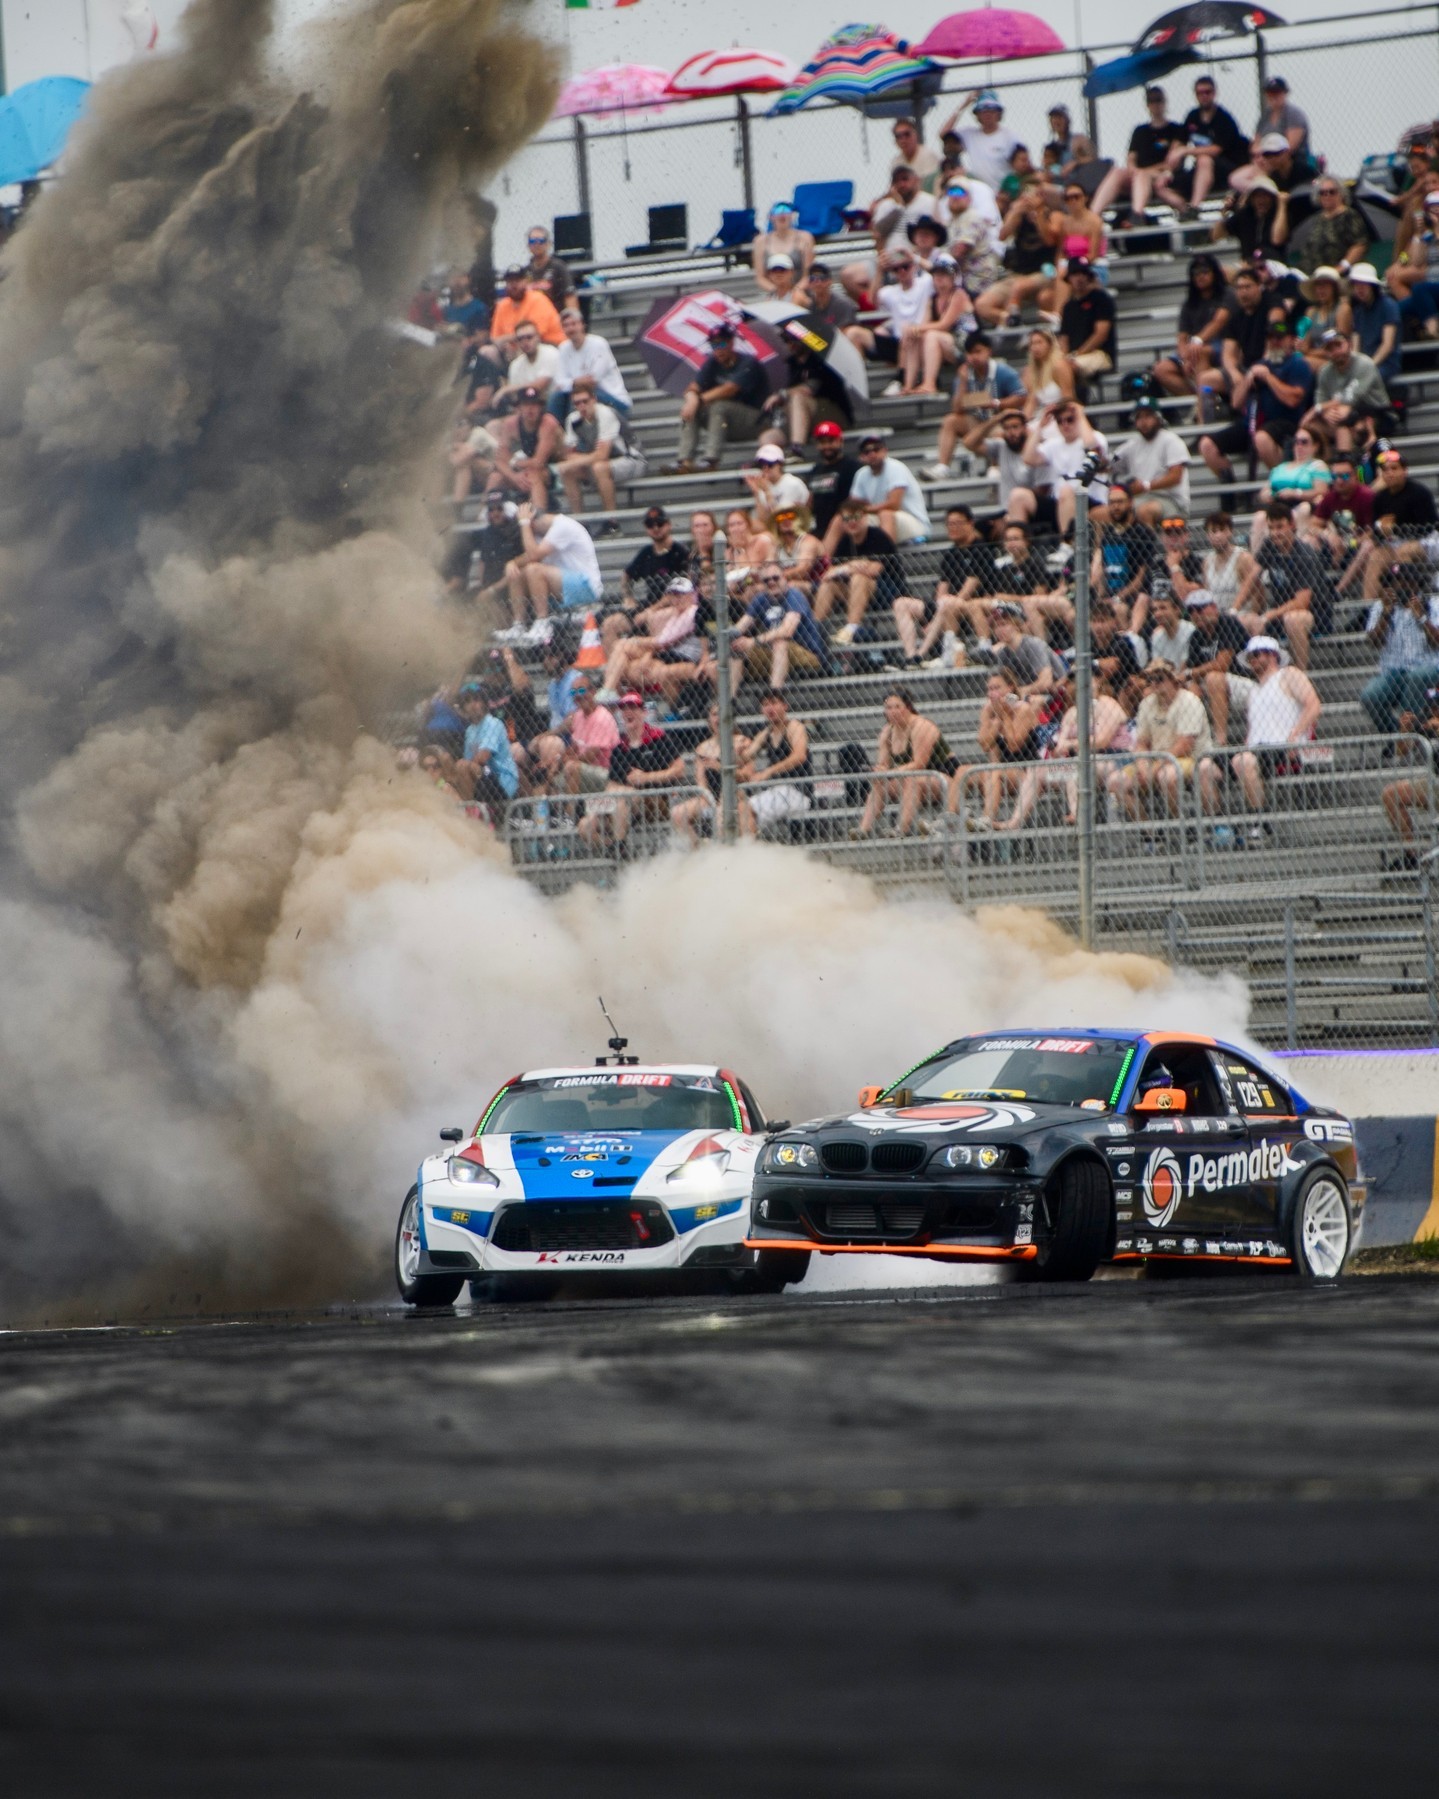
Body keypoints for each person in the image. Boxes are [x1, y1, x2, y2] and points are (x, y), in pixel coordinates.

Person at [1001, 670, 1129, 830]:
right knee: (1037, 771)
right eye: (1077, 680)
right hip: (1081, 765)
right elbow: (1060, 746)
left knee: (1076, 766)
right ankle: (1014, 822)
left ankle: (1078, 816)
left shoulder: (1107, 704)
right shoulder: (1072, 712)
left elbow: (1102, 741)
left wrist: (1070, 744)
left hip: (1113, 763)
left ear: (1098, 680)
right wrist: (1058, 748)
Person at [1199, 308, 1313, 482]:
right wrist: (1247, 380)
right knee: (1207, 444)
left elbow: (1293, 399)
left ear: (1290, 340)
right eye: (1271, 338)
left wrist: (1268, 377)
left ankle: (1285, 481)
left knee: (1262, 438)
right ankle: (1230, 493)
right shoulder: (1259, 364)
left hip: (1286, 423)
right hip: (1251, 422)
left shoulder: (1298, 364)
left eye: (1279, 338)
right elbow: (1236, 404)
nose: (1275, 342)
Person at [1221, 634, 1323, 817]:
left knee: (1243, 761)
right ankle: (1216, 824)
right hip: (1257, 749)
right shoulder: (1254, 691)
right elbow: (1253, 730)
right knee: (1205, 767)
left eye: (1258, 654)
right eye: (1250, 656)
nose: (1253, 659)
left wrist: (1294, 736)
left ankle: (1260, 821)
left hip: (1282, 746)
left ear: (1273, 655)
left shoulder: (1289, 674)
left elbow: (1313, 705)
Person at [578, 694, 686, 857]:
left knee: (621, 801)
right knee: (585, 825)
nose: (628, 712)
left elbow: (679, 769)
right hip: (625, 803)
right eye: (624, 709)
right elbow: (612, 784)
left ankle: (619, 847)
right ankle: (616, 849)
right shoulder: (620, 747)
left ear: (643, 712)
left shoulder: (658, 738)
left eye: (633, 707)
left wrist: (646, 777)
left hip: (656, 800)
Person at [891, 504, 996, 665]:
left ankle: (920, 655)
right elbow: (942, 587)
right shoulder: (950, 553)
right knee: (901, 603)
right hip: (945, 605)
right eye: (949, 524)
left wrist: (935, 618)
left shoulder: (981, 550)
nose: (953, 528)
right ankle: (910, 653)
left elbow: (968, 590)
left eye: (958, 523)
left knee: (947, 601)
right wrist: (936, 609)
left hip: (968, 605)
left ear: (970, 524)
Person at [1113, 660, 1215, 820]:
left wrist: (1154, 769)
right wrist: (1143, 766)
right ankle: (1150, 835)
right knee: (1115, 781)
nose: (1153, 683)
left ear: (1173, 679)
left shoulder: (1189, 701)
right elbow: (1141, 743)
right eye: (1150, 679)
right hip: (1156, 762)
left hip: (1191, 758)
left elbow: (1185, 745)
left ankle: (1178, 827)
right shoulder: (1147, 703)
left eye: (1159, 678)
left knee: (1166, 776)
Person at [665, 323, 768, 474]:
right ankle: (684, 460)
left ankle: (711, 460)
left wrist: (699, 400)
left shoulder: (748, 363)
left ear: (731, 342)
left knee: (719, 405)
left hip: (755, 420)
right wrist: (692, 399)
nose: (717, 349)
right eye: (713, 345)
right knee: (692, 408)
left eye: (721, 343)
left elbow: (730, 389)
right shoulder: (712, 362)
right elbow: (692, 387)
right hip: (726, 423)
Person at [854, 688, 954, 838]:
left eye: (897, 707)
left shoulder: (920, 726)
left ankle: (901, 829)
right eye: (888, 708)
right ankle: (863, 829)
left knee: (911, 780)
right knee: (880, 784)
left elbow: (920, 764)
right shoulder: (887, 731)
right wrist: (879, 771)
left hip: (942, 779)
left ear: (907, 707)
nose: (892, 712)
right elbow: (884, 764)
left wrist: (889, 773)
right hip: (909, 780)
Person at [952, 667, 1046, 827]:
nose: (993, 693)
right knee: (962, 771)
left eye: (997, 688)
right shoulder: (988, 710)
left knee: (994, 771)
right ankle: (949, 818)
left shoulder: (1023, 709)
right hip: (1001, 770)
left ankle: (986, 819)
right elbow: (984, 743)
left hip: (1026, 771)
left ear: (1010, 688)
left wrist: (1004, 716)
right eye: (990, 689)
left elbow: (1014, 745)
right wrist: (995, 721)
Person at [924, 332, 1024, 480]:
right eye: (970, 353)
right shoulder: (964, 374)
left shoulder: (1003, 371)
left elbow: (1021, 396)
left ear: (988, 351)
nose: (974, 357)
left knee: (998, 433)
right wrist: (963, 383)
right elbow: (957, 408)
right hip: (978, 420)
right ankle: (943, 467)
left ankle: (995, 467)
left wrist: (996, 403)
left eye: (978, 352)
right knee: (951, 421)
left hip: (1000, 421)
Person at [500, 502, 602, 644]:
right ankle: (518, 625)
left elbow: (534, 555)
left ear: (532, 522)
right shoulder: (538, 534)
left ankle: (542, 622)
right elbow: (529, 556)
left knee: (533, 569)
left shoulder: (563, 526)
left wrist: (524, 524)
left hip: (586, 587)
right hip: (562, 588)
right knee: (517, 572)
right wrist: (512, 564)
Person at [1238, 504, 1324, 669]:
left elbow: (1302, 602)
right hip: (1279, 614)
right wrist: (1235, 609)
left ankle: (1300, 674)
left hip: (1314, 614)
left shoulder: (1304, 555)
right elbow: (1252, 577)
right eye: (1271, 528)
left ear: (1291, 525)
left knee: (1293, 619)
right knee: (1246, 620)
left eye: (1280, 527)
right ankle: (1262, 675)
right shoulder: (1270, 545)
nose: (1276, 533)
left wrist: (1268, 616)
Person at [1091, 86, 1189, 225]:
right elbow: (1131, 158)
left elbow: (1171, 163)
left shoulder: (1176, 129)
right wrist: (1134, 170)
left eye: (1158, 100)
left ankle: (1137, 214)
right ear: (1147, 105)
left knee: (1141, 175)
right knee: (1118, 172)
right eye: (1152, 101)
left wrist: (1142, 172)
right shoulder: (1140, 131)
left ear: (1165, 102)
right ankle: (1094, 214)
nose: (1156, 104)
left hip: (1163, 176)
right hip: (1138, 176)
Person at [730, 561, 828, 691]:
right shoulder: (761, 599)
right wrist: (730, 637)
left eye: (775, 578)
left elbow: (787, 631)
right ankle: (731, 701)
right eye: (766, 580)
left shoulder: (794, 596)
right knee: (737, 648)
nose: (771, 582)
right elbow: (741, 626)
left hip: (807, 653)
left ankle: (774, 694)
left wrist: (753, 641)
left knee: (780, 642)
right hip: (774, 652)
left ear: (784, 578)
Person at [845, 248, 935, 387]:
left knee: (908, 331)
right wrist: (880, 270)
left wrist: (914, 257)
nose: (902, 271)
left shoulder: (924, 283)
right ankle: (859, 381)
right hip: (896, 341)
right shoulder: (890, 291)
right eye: (897, 269)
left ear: (913, 267)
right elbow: (870, 301)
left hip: (918, 340)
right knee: (853, 333)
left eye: (906, 266)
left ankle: (902, 378)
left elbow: (937, 270)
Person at [1152, 254, 1234, 404]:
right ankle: (1200, 402)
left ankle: (1205, 409)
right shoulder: (1189, 303)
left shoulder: (1228, 294)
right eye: (1196, 273)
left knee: (1199, 352)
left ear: (1214, 273)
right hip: (1193, 349)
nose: (1200, 277)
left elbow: (1219, 321)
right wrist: (1184, 359)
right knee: (1161, 369)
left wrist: (1198, 340)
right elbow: (1182, 337)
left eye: (1204, 272)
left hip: (1224, 344)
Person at [671, 705, 755, 847]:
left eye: (721, 714)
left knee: (722, 808)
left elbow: (748, 775)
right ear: (709, 719)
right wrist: (708, 797)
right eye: (715, 714)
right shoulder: (702, 748)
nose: (718, 718)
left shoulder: (742, 742)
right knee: (677, 813)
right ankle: (698, 849)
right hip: (710, 794)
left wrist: (720, 768)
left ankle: (723, 852)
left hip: (736, 791)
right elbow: (701, 782)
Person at [814, 501, 896, 645]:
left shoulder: (878, 537)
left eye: (856, 517)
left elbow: (873, 570)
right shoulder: (845, 541)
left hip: (886, 592)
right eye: (847, 519)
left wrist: (848, 569)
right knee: (829, 584)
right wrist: (850, 565)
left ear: (865, 517)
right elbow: (829, 573)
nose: (852, 522)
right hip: (854, 593)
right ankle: (813, 629)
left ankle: (850, 629)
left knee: (859, 578)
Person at [1362, 582, 1439, 735]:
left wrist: (1422, 617)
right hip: (1393, 672)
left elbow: (1437, 642)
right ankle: (1396, 737)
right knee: (1369, 696)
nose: (1401, 586)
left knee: (1416, 677)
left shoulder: (1432, 604)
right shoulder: (1381, 605)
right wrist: (1385, 614)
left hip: (1427, 670)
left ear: (1417, 583)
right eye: (1396, 581)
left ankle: (1409, 737)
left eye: (1406, 581)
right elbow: (1373, 642)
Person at [1024, 400, 1110, 537]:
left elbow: (1091, 447)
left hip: (1090, 499)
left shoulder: (1095, 436)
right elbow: (1028, 458)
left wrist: (1080, 414)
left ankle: (1067, 543)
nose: (1065, 425)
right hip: (1060, 502)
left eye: (1070, 419)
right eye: (1060, 421)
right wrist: (1040, 427)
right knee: (1019, 496)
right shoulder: (1054, 444)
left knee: (1066, 490)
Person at [558, 380, 642, 519]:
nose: (582, 406)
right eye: (577, 403)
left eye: (585, 401)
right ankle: (580, 522)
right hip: (601, 462)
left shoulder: (605, 414)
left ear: (594, 399)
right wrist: (575, 460)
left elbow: (602, 455)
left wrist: (577, 459)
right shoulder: (573, 419)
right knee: (567, 470)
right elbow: (568, 455)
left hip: (632, 459)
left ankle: (612, 522)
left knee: (600, 467)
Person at [1184, 587, 1253, 747]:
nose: (1196, 614)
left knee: (1213, 677)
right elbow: (1192, 672)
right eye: (1191, 610)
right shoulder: (1196, 635)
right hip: (1215, 688)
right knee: (1190, 687)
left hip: (1245, 683)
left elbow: (1222, 665)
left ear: (1214, 607)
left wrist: (1191, 672)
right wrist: (1190, 676)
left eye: (1200, 608)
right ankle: (1197, 740)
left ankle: (1220, 740)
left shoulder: (1228, 623)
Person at [1381, 684, 1439, 869]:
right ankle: (1412, 857)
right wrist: (1404, 731)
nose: (1434, 711)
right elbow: (1401, 752)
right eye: (1433, 706)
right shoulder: (1425, 717)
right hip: (1435, 781)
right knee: (1391, 794)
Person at [738, 690, 812, 835]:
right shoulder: (767, 733)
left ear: (785, 706)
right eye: (765, 704)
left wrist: (768, 772)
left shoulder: (794, 727)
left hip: (797, 791)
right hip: (777, 791)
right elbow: (746, 756)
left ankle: (749, 850)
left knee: (745, 810)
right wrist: (737, 751)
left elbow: (799, 756)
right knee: (738, 809)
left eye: (774, 703)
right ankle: (749, 849)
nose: (770, 708)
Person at [1092, 481, 1163, 631]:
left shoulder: (1142, 533)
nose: (1116, 507)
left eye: (1120, 502)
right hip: (1110, 594)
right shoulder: (1108, 534)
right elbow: (1103, 572)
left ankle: (1127, 648)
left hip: (1133, 596)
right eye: (1112, 502)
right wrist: (1101, 598)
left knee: (1118, 609)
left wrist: (1117, 598)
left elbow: (1141, 577)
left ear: (1130, 503)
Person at [899, 251, 971, 396]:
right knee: (915, 336)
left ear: (952, 277)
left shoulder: (959, 295)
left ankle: (929, 383)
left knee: (931, 335)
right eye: (936, 274)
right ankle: (908, 385)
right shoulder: (933, 299)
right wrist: (913, 331)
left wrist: (917, 328)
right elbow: (924, 325)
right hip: (944, 342)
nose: (939, 278)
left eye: (943, 274)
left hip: (964, 344)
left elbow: (944, 324)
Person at [980, 405, 1058, 532]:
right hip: (1005, 509)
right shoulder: (1001, 447)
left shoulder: (1038, 452)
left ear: (1025, 428)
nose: (1011, 432)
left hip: (1034, 509)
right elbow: (969, 443)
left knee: (1017, 499)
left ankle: (1017, 545)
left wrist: (1013, 511)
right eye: (1006, 428)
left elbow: (1043, 491)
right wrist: (995, 419)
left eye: (1015, 427)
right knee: (980, 528)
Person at [1177, 74, 1248, 209]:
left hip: (1227, 169)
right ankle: (1184, 212)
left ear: (1214, 93)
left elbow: (1216, 150)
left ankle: (1195, 207)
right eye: (1200, 93)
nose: (1204, 96)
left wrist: (1186, 151)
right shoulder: (1192, 116)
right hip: (1204, 171)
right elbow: (1180, 141)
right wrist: (1173, 158)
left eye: (1207, 92)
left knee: (1204, 159)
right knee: (1174, 182)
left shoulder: (1224, 118)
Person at [1309, 329, 1394, 441]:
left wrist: (1321, 408)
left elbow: (1351, 398)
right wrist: (1325, 413)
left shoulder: (1365, 364)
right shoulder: (1324, 372)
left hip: (1376, 412)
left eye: (1338, 345)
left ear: (1349, 344)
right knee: (1311, 427)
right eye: (1330, 349)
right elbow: (1320, 399)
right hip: (1341, 415)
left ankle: (1348, 456)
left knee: (1348, 421)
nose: (1335, 351)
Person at [1118, 398, 1191, 527]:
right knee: (1102, 513)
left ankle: (1149, 547)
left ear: (1158, 418)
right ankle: (1101, 548)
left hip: (1172, 501)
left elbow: (1175, 477)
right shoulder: (1132, 445)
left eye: (1148, 416)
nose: (1143, 422)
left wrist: (1146, 486)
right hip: (1140, 499)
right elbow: (1110, 463)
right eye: (1139, 417)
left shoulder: (1171, 441)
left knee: (1144, 511)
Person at [487, 386, 564, 509]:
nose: (530, 409)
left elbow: (538, 462)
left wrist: (513, 462)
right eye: (526, 405)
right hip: (524, 469)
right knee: (495, 477)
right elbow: (499, 460)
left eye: (534, 405)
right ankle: (485, 514)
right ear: (519, 407)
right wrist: (514, 477)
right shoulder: (510, 424)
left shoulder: (548, 423)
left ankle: (538, 515)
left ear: (540, 407)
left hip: (554, 468)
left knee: (533, 475)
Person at [846, 434, 931, 545]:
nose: (872, 454)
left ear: (885, 451)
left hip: (916, 525)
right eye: (867, 451)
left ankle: (889, 559)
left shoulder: (895, 467)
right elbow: (853, 505)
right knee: (842, 519)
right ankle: (827, 559)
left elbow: (893, 505)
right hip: (881, 519)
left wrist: (864, 509)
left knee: (885, 514)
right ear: (861, 456)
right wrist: (859, 511)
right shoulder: (861, 474)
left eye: (876, 449)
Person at [550, 309, 631, 420]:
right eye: (566, 325)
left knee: (580, 397)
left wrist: (572, 383)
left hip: (611, 398)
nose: (570, 328)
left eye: (574, 324)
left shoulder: (599, 344)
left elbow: (593, 381)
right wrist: (577, 382)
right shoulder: (563, 348)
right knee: (557, 396)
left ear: (582, 325)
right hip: (582, 396)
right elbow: (559, 382)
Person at [455, 682, 519, 820]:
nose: (472, 705)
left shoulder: (493, 723)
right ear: (463, 707)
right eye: (467, 701)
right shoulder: (470, 730)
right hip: (482, 777)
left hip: (501, 780)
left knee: (461, 766)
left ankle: (470, 814)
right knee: (458, 770)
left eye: (476, 700)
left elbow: (483, 758)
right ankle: (471, 812)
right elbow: (469, 761)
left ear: (484, 703)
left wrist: (465, 766)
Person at [944, 91, 1021, 194]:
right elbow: (944, 134)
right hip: (979, 193)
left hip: (1004, 194)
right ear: (977, 115)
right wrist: (964, 105)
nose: (987, 114)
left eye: (991, 110)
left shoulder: (1010, 136)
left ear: (999, 113)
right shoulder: (970, 134)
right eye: (983, 110)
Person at [619, 506, 691, 616]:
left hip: (675, 607)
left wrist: (649, 612)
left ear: (669, 525)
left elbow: (681, 590)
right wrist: (628, 598)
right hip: (650, 604)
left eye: (660, 523)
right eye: (650, 525)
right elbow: (626, 575)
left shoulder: (680, 552)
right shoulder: (646, 552)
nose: (656, 528)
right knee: (611, 623)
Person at [1057, 259, 1118, 385]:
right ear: (1069, 278)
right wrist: (1063, 356)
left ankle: (1073, 402)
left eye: (1083, 274)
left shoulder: (1101, 299)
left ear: (1088, 276)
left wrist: (1078, 354)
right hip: (1074, 356)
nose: (1079, 278)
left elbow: (1101, 334)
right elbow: (1064, 338)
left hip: (1100, 354)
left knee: (1068, 368)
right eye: (1075, 274)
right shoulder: (1068, 306)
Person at [989, 600, 1065, 699]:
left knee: (1032, 701)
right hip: (1024, 697)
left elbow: (1046, 683)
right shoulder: (1003, 653)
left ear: (1016, 625)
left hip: (1053, 695)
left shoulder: (1034, 645)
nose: (999, 630)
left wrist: (1021, 691)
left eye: (1004, 624)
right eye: (996, 626)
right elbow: (1004, 683)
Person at [1295, 177, 1369, 276]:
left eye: (1332, 192)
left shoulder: (1350, 215)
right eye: (1322, 192)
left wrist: (1342, 267)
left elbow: (1360, 244)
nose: (1327, 195)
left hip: (1335, 275)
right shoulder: (1318, 218)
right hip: (1311, 273)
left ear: (1341, 194)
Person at [1214, 178, 1289, 273]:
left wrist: (1282, 205)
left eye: (1265, 196)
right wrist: (1224, 212)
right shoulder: (1244, 215)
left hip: (1274, 265)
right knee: (1224, 272)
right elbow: (1216, 236)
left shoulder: (1278, 215)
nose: (1261, 200)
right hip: (1248, 265)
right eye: (1257, 196)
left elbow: (1277, 239)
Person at [468, 493, 525, 614]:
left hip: (509, 586)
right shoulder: (487, 533)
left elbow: (518, 569)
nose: (495, 513)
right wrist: (482, 586)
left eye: (499, 509)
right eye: (491, 510)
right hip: (490, 586)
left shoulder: (516, 533)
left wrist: (491, 591)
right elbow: (483, 560)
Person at [489, 265, 563, 359]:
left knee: (524, 347)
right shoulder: (502, 305)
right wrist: (506, 344)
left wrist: (506, 340)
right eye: (510, 281)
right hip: (516, 348)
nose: (514, 285)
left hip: (550, 345)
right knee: (488, 351)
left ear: (526, 282)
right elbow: (495, 338)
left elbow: (532, 335)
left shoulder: (538, 299)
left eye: (518, 281)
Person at [804, 421, 862, 540]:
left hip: (844, 527)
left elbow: (855, 501)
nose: (826, 446)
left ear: (840, 441)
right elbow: (810, 502)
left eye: (830, 441)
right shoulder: (815, 470)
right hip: (819, 528)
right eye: (822, 442)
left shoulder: (853, 467)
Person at [1347, 263, 1402, 387]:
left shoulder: (1388, 306)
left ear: (1372, 286)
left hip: (1385, 363)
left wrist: (1370, 365)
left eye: (1364, 284)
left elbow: (1387, 345)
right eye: (1356, 284)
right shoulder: (1358, 311)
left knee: (1360, 383)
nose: (1359, 288)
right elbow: (1356, 346)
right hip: (1364, 363)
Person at [493, 320, 559, 410]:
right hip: (527, 410)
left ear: (538, 337)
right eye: (520, 339)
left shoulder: (551, 353)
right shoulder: (515, 365)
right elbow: (516, 397)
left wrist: (505, 390)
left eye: (529, 337)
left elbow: (539, 386)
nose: (525, 342)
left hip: (551, 406)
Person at [742, 444, 811, 530]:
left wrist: (767, 492)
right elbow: (763, 519)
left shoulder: (793, 484)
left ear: (780, 465)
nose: (766, 468)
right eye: (761, 465)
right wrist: (756, 492)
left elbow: (782, 518)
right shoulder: (765, 485)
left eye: (770, 464)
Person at [752, 202, 815, 292]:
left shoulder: (805, 238)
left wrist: (794, 293)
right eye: (777, 212)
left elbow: (808, 275)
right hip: (774, 291)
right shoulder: (760, 241)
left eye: (786, 211)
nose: (782, 214)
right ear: (771, 217)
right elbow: (760, 278)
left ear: (792, 216)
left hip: (800, 291)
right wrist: (778, 293)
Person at [1296, 269, 1352, 370]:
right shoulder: (1311, 311)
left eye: (1325, 286)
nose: (1320, 290)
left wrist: (1309, 352)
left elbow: (1340, 346)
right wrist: (1302, 347)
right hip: (1312, 357)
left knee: (1302, 363)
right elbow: (1305, 343)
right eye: (1318, 286)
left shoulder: (1343, 309)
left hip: (1336, 360)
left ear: (1334, 288)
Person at [1020, 326, 1077, 411]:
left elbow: (1068, 398)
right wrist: (1023, 421)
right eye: (1032, 343)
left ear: (1049, 344)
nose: (1035, 347)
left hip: (1060, 414)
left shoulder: (1060, 365)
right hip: (1042, 415)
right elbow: (1031, 401)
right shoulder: (1030, 371)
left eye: (1039, 342)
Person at [521, 225, 572, 310]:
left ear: (548, 244)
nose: (537, 244)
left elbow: (570, 296)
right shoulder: (525, 271)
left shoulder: (558, 267)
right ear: (528, 245)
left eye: (541, 241)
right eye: (532, 241)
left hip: (555, 317)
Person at [890, 116, 941, 190]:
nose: (903, 139)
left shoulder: (928, 155)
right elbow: (894, 188)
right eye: (898, 136)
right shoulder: (896, 162)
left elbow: (928, 185)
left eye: (907, 134)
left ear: (915, 135)